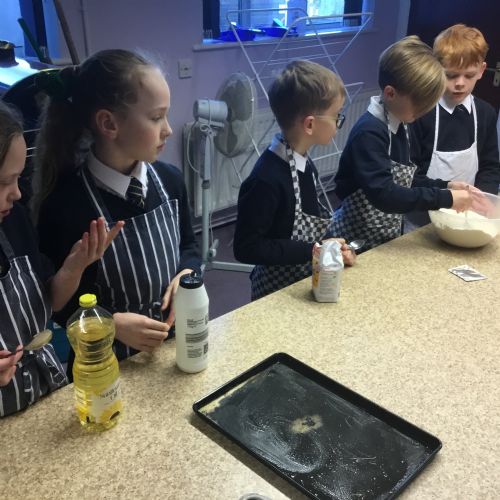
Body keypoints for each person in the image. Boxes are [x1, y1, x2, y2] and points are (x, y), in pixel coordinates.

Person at [35, 49, 201, 366]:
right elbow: (56, 305)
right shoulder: (65, 205)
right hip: (104, 367)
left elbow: (189, 246)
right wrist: (110, 323)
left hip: (172, 353)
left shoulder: (171, 181)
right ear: (109, 123)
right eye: (156, 117)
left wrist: (188, 273)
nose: (168, 129)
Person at [0, 101, 122, 416]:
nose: (17, 193)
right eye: (3, 182)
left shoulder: (14, 221)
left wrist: (73, 268)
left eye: (18, 179)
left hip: (44, 395)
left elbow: (51, 302)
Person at [329, 36, 481, 251]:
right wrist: (446, 198)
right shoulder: (370, 132)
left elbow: (407, 179)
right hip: (354, 240)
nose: (425, 110)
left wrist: (445, 186)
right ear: (390, 93)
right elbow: (385, 194)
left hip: (386, 236)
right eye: (420, 103)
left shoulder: (400, 121)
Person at [234, 60, 355, 301]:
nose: (338, 123)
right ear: (310, 124)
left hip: (300, 280)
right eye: (336, 116)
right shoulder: (266, 179)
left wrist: (330, 248)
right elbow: (247, 247)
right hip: (274, 293)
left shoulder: (303, 162)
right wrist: (313, 250)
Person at [412, 24, 499, 194]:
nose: (460, 83)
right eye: (451, 75)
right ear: (436, 69)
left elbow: (490, 167)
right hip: (423, 206)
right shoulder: (420, 112)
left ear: (481, 70)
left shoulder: (485, 113)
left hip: (468, 207)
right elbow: (410, 176)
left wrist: (481, 199)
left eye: (469, 75)